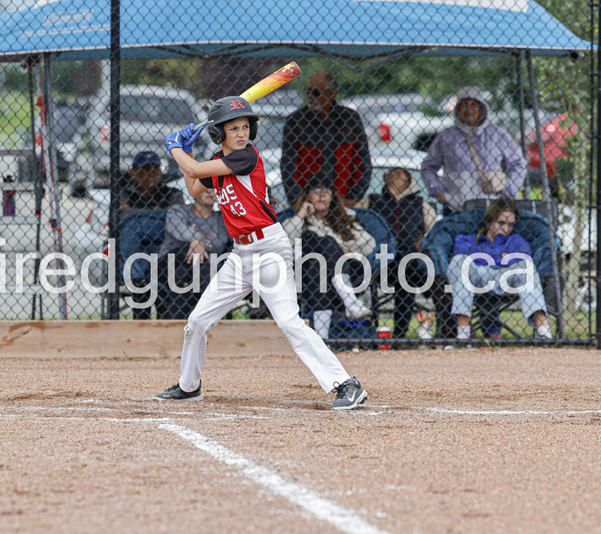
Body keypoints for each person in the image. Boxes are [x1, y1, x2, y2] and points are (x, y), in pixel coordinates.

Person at [154, 95, 368, 410]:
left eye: (245, 126)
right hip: (240, 254)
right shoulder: (218, 161)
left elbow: (194, 169)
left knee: (288, 322)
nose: (241, 133)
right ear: (218, 133)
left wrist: (175, 148)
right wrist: (184, 151)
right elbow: (194, 186)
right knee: (198, 321)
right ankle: (189, 386)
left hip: (269, 249)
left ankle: (345, 383)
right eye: (233, 128)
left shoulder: (247, 157)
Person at [282, 171, 374, 339]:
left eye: (327, 191)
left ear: (333, 196)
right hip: (304, 272)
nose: (322, 196)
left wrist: (348, 252)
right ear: (308, 195)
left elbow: (370, 244)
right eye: (317, 191)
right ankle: (351, 303)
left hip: (342, 270)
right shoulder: (298, 219)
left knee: (325, 256)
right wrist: (302, 214)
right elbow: (284, 239)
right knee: (321, 245)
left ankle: (322, 340)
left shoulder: (344, 218)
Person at [447, 197, 552, 340]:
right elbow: (461, 251)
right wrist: (502, 256)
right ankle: (463, 334)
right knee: (459, 261)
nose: (506, 228)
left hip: (506, 279)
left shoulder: (515, 240)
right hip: (479, 277)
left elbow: (525, 257)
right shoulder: (469, 239)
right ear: (490, 220)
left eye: (510, 224)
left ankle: (545, 333)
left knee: (527, 266)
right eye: (501, 223)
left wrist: (483, 257)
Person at [421, 86, 526, 214]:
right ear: (457, 109)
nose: (469, 109)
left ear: (482, 108)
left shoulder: (498, 135)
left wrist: (507, 191)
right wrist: (438, 191)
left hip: (492, 209)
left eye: (474, 104)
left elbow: (519, 164)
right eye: (464, 104)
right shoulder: (446, 137)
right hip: (455, 208)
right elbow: (428, 167)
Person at [362, 167, 437, 338]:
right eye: (392, 175)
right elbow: (356, 223)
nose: (396, 177)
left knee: (407, 274)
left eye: (401, 175)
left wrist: (422, 242)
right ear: (385, 180)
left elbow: (434, 231)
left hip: (412, 261)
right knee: (402, 267)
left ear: (410, 181)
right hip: (383, 262)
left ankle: (400, 333)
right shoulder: (372, 201)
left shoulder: (420, 203)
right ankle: (377, 331)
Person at [281, 70, 371, 209]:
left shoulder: (350, 118)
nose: (311, 96)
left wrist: (352, 197)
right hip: (309, 201)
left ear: (332, 93)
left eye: (316, 92)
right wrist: (297, 200)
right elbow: (289, 164)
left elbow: (362, 161)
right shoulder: (296, 121)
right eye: (308, 91)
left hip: (342, 199)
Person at [118, 151, 185, 319]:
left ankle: (140, 277)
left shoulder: (173, 193)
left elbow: (176, 220)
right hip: (140, 253)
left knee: (133, 226)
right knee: (132, 233)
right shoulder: (123, 193)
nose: (151, 174)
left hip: (164, 250)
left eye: (155, 169)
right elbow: (120, 217)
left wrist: (135, 215)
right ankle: (141, 281)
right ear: (133, 172)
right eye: (145, 169)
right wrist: (160, 215)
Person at [157, 187, 229, 319]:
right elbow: (177, 229)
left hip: (196, 269)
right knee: (186, 249)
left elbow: (221, 243)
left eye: (213, 188)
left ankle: (178, 325)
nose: (209, 191)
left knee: (182, 275)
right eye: (204, 187)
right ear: (194, 191)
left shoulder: (222, 219)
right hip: (168, 265)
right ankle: (210, 317)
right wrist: (195, 241)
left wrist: (198, 244)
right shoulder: (178, 210)